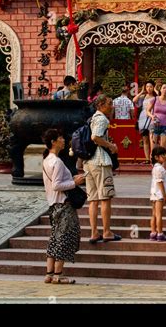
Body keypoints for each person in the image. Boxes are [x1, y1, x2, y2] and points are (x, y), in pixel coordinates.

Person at [41, 127, 86, 284]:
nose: (63, 140)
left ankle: (49, 273)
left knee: (55, 238)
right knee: (65, 239)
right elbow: (57, 185)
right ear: (53, 142)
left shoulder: (47, 160)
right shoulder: (57, 162)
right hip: (63, 205)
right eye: (60, 138)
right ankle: (58, 276)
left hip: (53, 205)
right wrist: (75, 182)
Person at [84, 95, 121, 243]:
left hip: (89, 162)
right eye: (109, 103)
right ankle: (106, 231)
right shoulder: (102, 119)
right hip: (100, 162)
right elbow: (95, 137)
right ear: (100, 105)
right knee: (105, 198)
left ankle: (94, 232)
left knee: (93, 199)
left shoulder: (92, 118)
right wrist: (111, 146)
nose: (112, 106)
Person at [149, 145, 166, 242]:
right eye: (162, 155)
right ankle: (160, 233)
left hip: (154, 194)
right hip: (159, 194)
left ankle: (153, 232)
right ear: (156, 157)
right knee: (159, 214)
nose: (165, 156)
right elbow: (160, 182)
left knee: (154, 214)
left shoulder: (155, 167)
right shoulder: (160, 168)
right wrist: (164, 195)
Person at [133, 80, 158, 163]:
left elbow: (161, 99)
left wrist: (156, 91)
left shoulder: (156, 97)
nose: (149, 88)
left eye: (151, 86)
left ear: (153, 87)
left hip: (152, 117)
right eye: (147, 87)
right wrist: (141, 92)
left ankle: (153, 157)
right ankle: (147, 159)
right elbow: (134, 100)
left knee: (152, 139)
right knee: (145, 139)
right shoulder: (143, 97)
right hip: (143, 118)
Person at [150, 82, 166, 152]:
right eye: (163, 88)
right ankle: (153, 163)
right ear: (160, 90)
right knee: (153, 150)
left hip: (165, 127)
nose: (165, 90)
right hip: (154, 125)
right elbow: (147, 111)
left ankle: (162, 163)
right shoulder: (154, 99)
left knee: (163, 150)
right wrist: (152, 116)